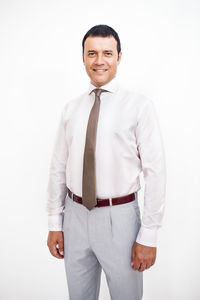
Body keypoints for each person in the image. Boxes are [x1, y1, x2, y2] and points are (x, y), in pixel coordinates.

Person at [46, 24, 166, 300]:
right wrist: (55, 222)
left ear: (119, 57)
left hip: (120, 219)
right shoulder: (71, 109)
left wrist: (148, 235)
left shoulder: (139, 106)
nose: (99, 61)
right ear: (83, 58)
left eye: (107, 53)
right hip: (74, 216)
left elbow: (155, 172)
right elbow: (57, 168)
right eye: (92, 53)